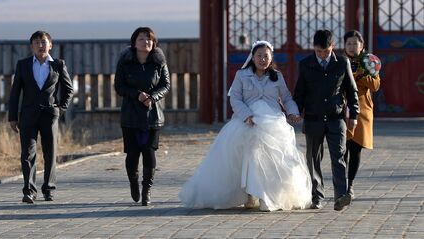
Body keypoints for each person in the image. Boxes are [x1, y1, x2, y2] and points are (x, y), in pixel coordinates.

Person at [179, 40, 311, 212]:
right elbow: (235, 98)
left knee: (272, 160)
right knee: (250, 157)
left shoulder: (277, 76)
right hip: (248, 121)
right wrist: (246, 115)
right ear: (252, 57)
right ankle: (251, 193)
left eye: (266, 56)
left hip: (273, 123)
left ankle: (266, 195)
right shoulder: (242, 75)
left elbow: (286, 97)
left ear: (271, 58)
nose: (262, 59)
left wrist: (292, 112)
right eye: (259, 56)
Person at [293, 29, 359, 211]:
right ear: (313, 48)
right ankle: (317, 197)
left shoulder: (342, 63)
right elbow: (300, 93)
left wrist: (353, 115)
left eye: (326, 51)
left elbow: (352, 91)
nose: (322, 55)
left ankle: (340, 196)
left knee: (338, 157)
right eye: (319, 51)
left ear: (333, 47)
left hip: (335, 118)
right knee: (313, 159)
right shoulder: (305, 64)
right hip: (313, 119)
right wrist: (295, 113)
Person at [8, 30, 74, 203]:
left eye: (43, 42)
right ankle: (29, 190)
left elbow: (69, 89)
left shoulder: (58, 65)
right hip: (28, 115)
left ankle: (49, 189)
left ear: (50, 45)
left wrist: (60, 109)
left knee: (50, 152)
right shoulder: (23, 65)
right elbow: (15, 92)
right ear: (31, 46)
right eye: (36, 42)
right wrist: (12, 117)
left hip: (49, 114)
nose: (40, 45)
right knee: (27, 153)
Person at [114, 27, 171, 206]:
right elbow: (119, 86)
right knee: (132, 154)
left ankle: (147, 189)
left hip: (152, 115)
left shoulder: (159, 62)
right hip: (131, 115)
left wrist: (153, 97)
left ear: (154, 43)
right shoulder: (125, 62)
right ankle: (133, 182)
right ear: (134, 42)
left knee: (149, 152)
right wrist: (136, 94)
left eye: (149, 39)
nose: (145, 42)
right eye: (141, 39)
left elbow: (165, 84)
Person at [343, 30, 381, 199]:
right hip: (342, 109)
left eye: (355, 43)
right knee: (341, 149)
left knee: (355, 148)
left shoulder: (369, 62)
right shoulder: (339, 61)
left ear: (362, 45)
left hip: (362, 110)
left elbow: (375, 85)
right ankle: (341, 183)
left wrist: (360, 75)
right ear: (344, 46)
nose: (352, 47)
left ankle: (350, 184)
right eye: (349, 44)